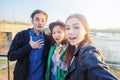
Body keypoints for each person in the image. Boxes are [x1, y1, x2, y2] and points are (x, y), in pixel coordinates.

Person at [64, 14, 118, 80]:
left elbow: (97, 70)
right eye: (67, 28)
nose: (70, 32)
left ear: (86, 31)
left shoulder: (87, 51)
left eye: (76, 27)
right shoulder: (73, 49)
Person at [7, 9, 51, 80]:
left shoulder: (48, 40)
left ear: (45, 22)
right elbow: (11, 56)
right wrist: (29, 47)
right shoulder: (21, 35)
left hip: (40, 77)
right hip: (22, 77)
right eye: (37, 19)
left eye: (43, 20)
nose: (40, 22)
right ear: (32, 21)